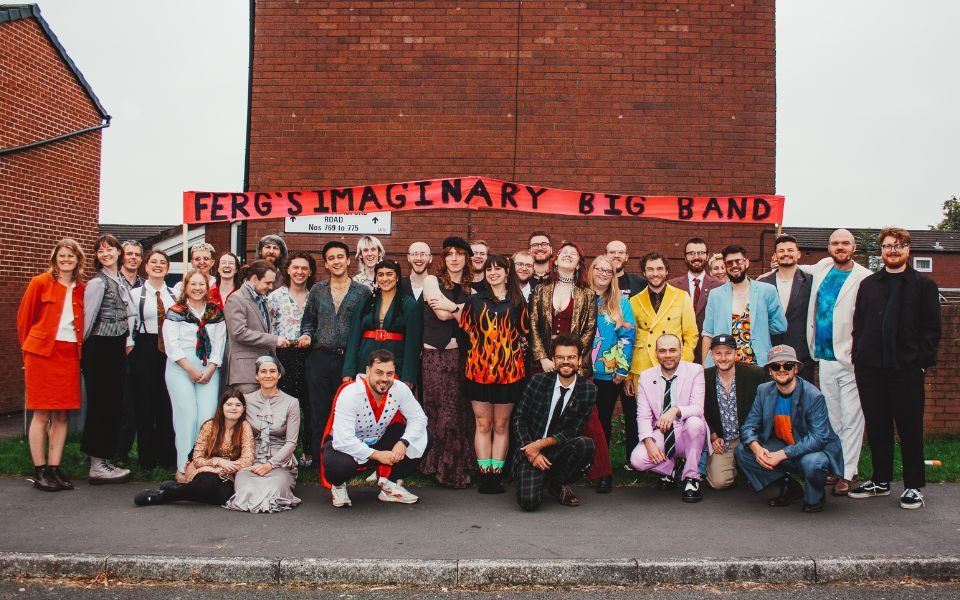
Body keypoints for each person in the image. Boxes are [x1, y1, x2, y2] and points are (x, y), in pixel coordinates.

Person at [850, 227, 942, 509]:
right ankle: (880, 480)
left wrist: (920, 362)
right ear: (882, 250)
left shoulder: (923, 286)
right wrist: (859, 355)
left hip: (906, 370)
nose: (893, 250)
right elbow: (860, 323)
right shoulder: (869, 284)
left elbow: (931, 329)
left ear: (908, 250)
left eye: (899, 245)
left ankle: (914, 486)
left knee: (910, 428)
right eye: (889, 245)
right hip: (871, 370)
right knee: (877, 427)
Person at [528, 241, 609, 492]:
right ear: (556, 259)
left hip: (575, 367)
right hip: (545, 366)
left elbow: (588, 330)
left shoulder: (586, 293)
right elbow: (533, 325)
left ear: (578, 263)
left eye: (573, 254)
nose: (567, 256)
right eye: (564, 253)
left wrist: (570, 360)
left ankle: (602, 472)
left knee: (589, 420)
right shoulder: (541, 290)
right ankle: (541, 471)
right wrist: (543, 357)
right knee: (545, 419)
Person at [799, 229, 871, 496]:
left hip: (851, 358)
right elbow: (801, 267)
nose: (840, 247)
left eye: (845, 243)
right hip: (824, 356)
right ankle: (834, 464)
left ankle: (847, 473)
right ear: (828, 247)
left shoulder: (864, 277)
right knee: (832, 418)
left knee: (852, 417)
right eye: (835, 243)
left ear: (854, 247)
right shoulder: (823, 266)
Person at [734, 345, 843, 513]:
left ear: (796, 368)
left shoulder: (814, 396)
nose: (782, 370)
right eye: (776, 366)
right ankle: (789, 485)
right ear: (770, 371)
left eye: (788, 365)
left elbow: (819, 438)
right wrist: (756, 449)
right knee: (743, 451)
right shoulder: (764, 391)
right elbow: (749, 426)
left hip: (811, 451)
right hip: (783, 445)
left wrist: (781, 455)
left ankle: (816, 493)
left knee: (813, 464)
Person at [17, 239, 86, 491]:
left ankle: (55, 468)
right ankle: (40, 470)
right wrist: (27, 355)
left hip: (69, 355)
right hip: (41, 354)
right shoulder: (39, 283)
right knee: (41, 412)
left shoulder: (82, 289)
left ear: (78, 259)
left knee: (62, 414)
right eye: (62, 255)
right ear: (55, 258)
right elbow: (25, 320)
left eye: (71, 256)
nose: (66, 259)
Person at [458, 254, 529, 493]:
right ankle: (484, 473)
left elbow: (525, 333)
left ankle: (497, 475)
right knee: (482, 422)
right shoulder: (475, 301)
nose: (493, 273)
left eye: (498, 269)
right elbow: (466, 331)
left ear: (507, 273)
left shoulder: (517, 301)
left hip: (509, 373)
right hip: (479, 371)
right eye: (489, 269)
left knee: (501, 424)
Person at [322, 349, 429, 506]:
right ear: (368, 371)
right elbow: (343, 440)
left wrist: (403, 442)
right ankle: (338, 485)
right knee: (338, 466)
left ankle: (390, 485)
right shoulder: (350, 393)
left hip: (379, 440)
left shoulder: (399, 389)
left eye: (389, 374)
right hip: (347, 447)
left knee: (423, 435)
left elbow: (419, 418)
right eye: (379, 373)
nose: (384, 379)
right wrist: (377, 455)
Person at [300, 241, 372, 471]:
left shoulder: (362, 292)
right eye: (331, 258)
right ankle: (320, 463)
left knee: (347, 412)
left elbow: (366, 327)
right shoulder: (317, 290)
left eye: (340, 256)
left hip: (348, 361)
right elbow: (308, 322)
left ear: (348, 260)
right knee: (319, 412)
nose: (336, 261)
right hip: (320, 359)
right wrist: (307, 335)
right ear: (326, 264)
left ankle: (348, 461)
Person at [623, 252, 698, 459]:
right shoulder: (634, 301)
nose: (655, 273)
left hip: (673, 365)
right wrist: (628, 374)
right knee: (647, 416)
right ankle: (652, 458)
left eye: (659, 269)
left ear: (667, 271)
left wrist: (684, 364)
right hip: (642, 366)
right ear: (644, 273)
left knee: (674, 415)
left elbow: (691, 334)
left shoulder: (681, 297)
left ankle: (677, 458)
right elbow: (629, 337)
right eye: (650, 269)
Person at [512, 334, 597, 511]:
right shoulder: (537, 382)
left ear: (580, 360)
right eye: (560, 357)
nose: (566, 362)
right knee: (528, 503)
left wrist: (541, 444)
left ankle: (559, 483)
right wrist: (531, 451)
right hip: (530, 448)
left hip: (559, 448)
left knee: (585, 445)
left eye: (571, 357)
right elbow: (519, 419)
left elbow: (574, 430)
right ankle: (537, 478)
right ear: (553, 360)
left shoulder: (588, 390)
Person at [133, 388, 254, 507]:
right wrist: (218, 462)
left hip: (227, 473)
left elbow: (247, 460)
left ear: (243, 409)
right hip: (203, 467)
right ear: (222, 407)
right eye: (229, 404)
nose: (233, 408)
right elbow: (197, 459)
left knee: (224, 497)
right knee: (207, 485)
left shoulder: (244, 427)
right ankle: (162, 497)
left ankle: (183, 489)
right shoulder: (210, 425)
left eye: (238, 405)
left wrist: (222, 470)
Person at [421, 237, 475, 488]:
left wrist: (453, 306)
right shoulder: (432, 281)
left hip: (461, 357)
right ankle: (439, 466)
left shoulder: (472, 289)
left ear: (466, 258)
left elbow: (472, 320)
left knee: (459, 413)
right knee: (439, 412)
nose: (454, 258)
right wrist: (459, 310)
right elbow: (442, 314)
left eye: (459, 254)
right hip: (435, 357)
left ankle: (458, 466)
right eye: (449, 253)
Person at [163, 269, 227, 479]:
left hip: (208, 368)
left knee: (206, 417)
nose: (198, 288)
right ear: (186, 287)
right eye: (193, 284)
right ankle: (183, 465)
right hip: (181, 367)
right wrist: (189, 369)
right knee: (186, 416)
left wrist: (210, 369)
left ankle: (201, 465)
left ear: (207, 288)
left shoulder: (215, 313)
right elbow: (171, 345)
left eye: (202, 284)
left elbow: (219, 343)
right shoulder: (175, 312)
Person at [81, 234, 134, 484]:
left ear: (118, 252)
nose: (105, 254)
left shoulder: (120, 279)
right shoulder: (98, 283)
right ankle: (97, 464)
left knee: (114, 405)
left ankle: (105, 458)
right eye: (100, 251)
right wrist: (87, 354)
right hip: (100, 347)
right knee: (101, 405)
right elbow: (88, 321)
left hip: (115, 346)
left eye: (109, 249)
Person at [629, 334, 708, 502]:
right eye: (663, 351)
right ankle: (672, 467)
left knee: (695, 423)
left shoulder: (695, 371)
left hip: (688, 429)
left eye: (673, 350)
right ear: (656, 353)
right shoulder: (646, 376)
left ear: (681, 351)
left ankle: (692, 478)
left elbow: (698, 408)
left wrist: (676, 410)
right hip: (663, 432)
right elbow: (642, 416)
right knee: (637, 460)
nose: (668, 355)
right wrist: (649, 444)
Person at [226, 356, 302, 512]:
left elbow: (291, 443)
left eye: (273, 371)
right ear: (256, 376)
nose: (268, 375)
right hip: (250, 460)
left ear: (279, 375)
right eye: (263, 371)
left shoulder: (291, 402)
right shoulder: (245, 400)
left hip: (281, 462)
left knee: (273, 491)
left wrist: (270, 464)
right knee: (245, 490)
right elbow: (231, 426)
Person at [587, 255, 635, 492]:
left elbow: (627, 336)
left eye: (609, 271)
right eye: (600, 269)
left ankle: (603, 473)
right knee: (583, 422)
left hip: (608, 373)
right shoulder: (581, 297)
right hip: (581, 371)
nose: (604, 274)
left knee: (603, 421)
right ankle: (585, 464)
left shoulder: (621, 303)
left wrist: (622, 368)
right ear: (592, 270)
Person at [125, 250, 177, 470]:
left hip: (169, 348)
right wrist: (129, 344)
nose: (158, 265)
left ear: (167, 268)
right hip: (145, 347)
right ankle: (147, 458)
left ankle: (167, 457)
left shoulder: (174, 295)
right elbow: (129, 324)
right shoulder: (136, 294)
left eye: (162, 263)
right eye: (153, 262)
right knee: (145, 403)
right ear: (146, 267)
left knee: (166, 402)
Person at [267, 251, 316, 467]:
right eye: (296, 267)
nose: (300, 272)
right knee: (284, 406)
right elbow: (267, 327)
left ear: (310, 272)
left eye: (304, 268)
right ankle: (283, 454)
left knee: (310, 405)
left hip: (310, 355)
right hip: (284, 356)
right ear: (288, 269)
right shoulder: (275, 296)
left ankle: (308, 454)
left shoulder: (315, 295)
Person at [701, 245, 787, 368]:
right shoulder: (716, 295)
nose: (734, 265)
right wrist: (705, 366)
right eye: (729, 263)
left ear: (746, 263)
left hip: (757, 365)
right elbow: (708, 333)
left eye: (738, 261)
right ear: (725, 267)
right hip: (723, 366)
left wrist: (759, 327)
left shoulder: (767, 291)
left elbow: (780, 326)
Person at [342, 259, 423, 387]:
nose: (384, 278)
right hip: (365, 360)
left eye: (389, 274)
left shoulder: (409, 304)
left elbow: (412, 345)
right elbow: (354, 338)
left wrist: (408, 377)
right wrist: (348, 371)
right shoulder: (365, 302)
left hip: (396, 362)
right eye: (380, 274)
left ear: (397, 277)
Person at [703, 335, 769, 490]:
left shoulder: (755, 374)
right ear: (712, 354)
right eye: (718, 353)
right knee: (718, 482)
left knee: (764, 474)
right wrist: (712, 434)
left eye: (728, 352)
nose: (723, 358)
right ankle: (736, 466)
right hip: (724, 440)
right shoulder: (705, 377)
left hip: (749, 438)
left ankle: (745, 466)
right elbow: (701, 410)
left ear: (736, 353)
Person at [225, 259, 289, 394]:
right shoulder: (236, 299)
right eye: (268, 282)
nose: (271, 287)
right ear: (254, 279)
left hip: (263, 371)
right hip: (245, 373)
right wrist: (274, 340)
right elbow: (239, 332)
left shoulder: (261, 299)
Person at [757, 235, 814, 381]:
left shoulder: (811, 281)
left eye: (790, 250)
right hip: (771, 356)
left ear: (798, 254)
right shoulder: (762, 284)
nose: (786, 253)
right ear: (775, 255)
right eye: (781, 251)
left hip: (801, 356)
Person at [115, 239, 145, 465]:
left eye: (137, 254)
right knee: (119, 403)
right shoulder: (114, 283)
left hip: (142, 350)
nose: (133, 257)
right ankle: (112, 451)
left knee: (137, 403)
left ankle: (127, 452)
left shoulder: (144, 285)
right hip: (118, 348)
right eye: (129, 254)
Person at [667, 237, 723, 359]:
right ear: (685, 257)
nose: (696, 257)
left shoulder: (720, 287)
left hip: (709, 350)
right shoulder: (671, 286)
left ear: (707, 256)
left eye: (701, 253)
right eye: (691, 253)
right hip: (679, 351)